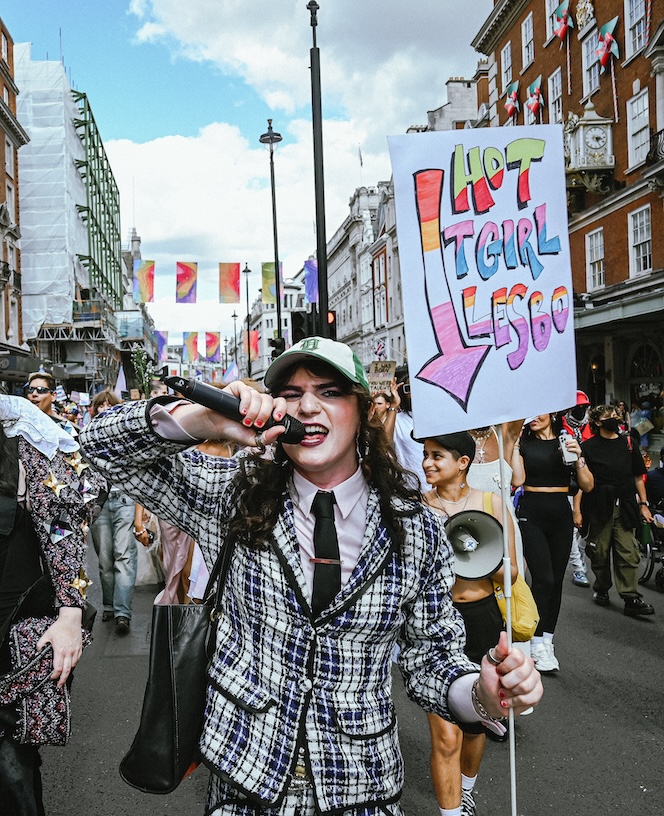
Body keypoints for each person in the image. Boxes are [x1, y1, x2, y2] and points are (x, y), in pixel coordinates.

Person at [80, 337, 542, 816]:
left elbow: (431, 660)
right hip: (243, 785)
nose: (308, 406)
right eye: (293, 394)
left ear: (362, 410)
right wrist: (208, 420)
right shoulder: (233, 496)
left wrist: (482, 691)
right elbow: (100, 447)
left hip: (361, 793)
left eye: (329, 392)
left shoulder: (414, 527)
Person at [0, 395, 104, 814]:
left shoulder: (22, 435)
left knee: (11, 764)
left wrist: (69, 613)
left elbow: (63, 529)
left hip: (9, 619)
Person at [419, 431, 517, 816]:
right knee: (445, 732)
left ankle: (467, 789)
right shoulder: (418, 507)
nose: (427, 463)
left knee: (477, 721)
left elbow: (514, 571)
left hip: (482, 618)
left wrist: (486, 559)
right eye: (425, 455)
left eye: (437, 455)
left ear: (463, 462)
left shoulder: (491, 504)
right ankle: (451, 812)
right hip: (436, 621)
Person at [513, 414, 593, 672]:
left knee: (556, 580)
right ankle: (534, 641)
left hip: (560, 511)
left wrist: (578, 457)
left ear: (553, 414)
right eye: (530, 414)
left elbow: (588, 485)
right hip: (531, 512)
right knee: (544, 578)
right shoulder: (524, 443)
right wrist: (514, 445)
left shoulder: (566, 441)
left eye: (540, 412)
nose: (534, 418)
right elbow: (517, 480)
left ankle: (547, 641)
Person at [576, 405, 655, 618]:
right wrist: (577, 511)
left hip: (626, 503)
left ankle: (630, 597)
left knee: (628, 552)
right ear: (597, 423)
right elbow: (582, 482)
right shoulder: (588, 447)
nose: (613, 418)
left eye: (615, 415)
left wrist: (644, 505)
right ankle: (601, 587)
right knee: (599, 552)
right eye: (607, 416)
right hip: (599, 505)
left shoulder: (628, 443)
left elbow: (638, 476)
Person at [88, 390, 138, 633]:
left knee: (123, 555)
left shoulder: (126, 436)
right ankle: (109, 605)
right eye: (101, 405)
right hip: (99, 503)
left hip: (124, 498)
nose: (105, 408)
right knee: (105, 558)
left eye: (110, 404)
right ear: (94, 409)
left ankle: (122, 613)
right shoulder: (86, 436)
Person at [562, 391, 593, 588]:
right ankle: (578, 567)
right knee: (573, 526)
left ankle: (581, 556)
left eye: (583, 407)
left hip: (592, 483)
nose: (580, 411)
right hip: (571, 485)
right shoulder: (562, 430)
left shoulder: (591, 428)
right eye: (577, 408)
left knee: (587, 529)